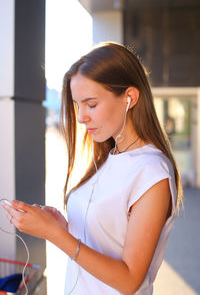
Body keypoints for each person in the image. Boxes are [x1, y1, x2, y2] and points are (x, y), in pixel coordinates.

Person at [3, 42, 183, 295]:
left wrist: (55, 235)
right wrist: (64, 226)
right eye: (78, 105)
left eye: (91, 104)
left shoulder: (152, 171)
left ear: (129, 98)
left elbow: (130, 280)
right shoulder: (110, 156)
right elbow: (106, 238)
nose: (81, 117)